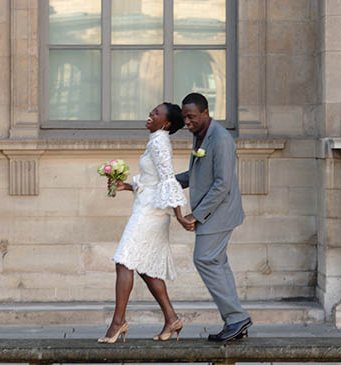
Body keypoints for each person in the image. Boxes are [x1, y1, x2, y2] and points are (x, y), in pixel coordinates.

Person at [98, 103, 188, 344]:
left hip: (151, 213)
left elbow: (169, 179)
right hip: (147, 208)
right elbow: (153, 180)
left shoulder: (160, 142)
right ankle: (172, 318)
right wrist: (126, 185)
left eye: (156, 113)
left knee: (124, 259)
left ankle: (118, 322)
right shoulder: (156, 141)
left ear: (166, 123)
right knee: (145, 267)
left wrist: (180, 214)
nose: (151, 114)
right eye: (152, 111)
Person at [175, 92, 252, 342]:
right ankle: (235, 320)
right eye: (185, 117)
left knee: (205, 260)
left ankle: (236, 317)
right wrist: (166, 182)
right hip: (214, 212)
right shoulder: (201, 135)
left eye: (191, 117)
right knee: (217, 263)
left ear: (205, 113)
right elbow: (196, 175)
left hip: (220, 213)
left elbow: (222, 184)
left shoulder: (220, 139)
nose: (187, 122)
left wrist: (196, 215)